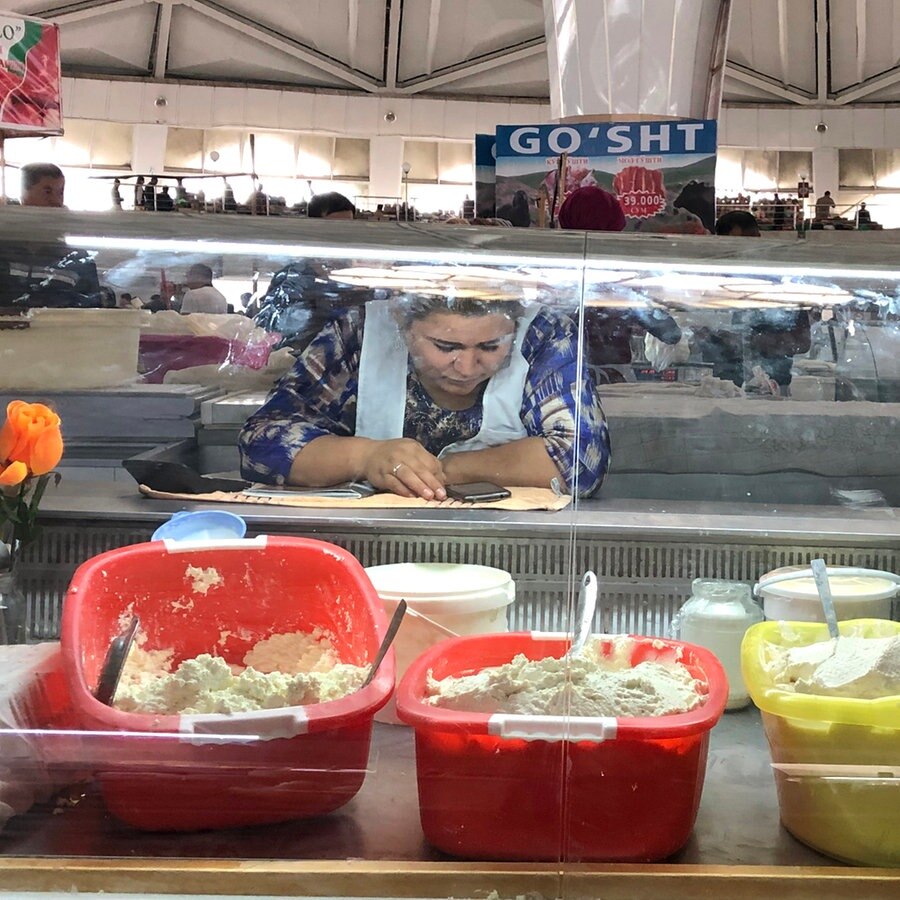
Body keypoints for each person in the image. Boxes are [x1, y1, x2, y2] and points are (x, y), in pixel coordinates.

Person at [239, 292, 610, 499]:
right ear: (403, 324)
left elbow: (580, 461)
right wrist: (367, 457)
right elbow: (262, 443)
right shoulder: (360, 332)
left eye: (491, 346)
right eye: (446, 346)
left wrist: (432, 473)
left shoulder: (545, 334)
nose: (466, 367)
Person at [558, 186, 683, 382]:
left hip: (558, 382)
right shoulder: (621, 278)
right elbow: (670, 333)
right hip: (613, 382)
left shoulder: (552, 273)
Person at [709, 210, 810, 388]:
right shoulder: (717, 281)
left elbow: (802, 342)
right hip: (724, 385)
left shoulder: (784, 282)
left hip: (772, 384)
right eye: (731, 245)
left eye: (744, 243)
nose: (739, 252)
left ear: (757, 237)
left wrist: (750, 341)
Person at [1, 164, 102, 308]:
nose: (56, 201)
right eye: (47, 192)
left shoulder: (76, 258)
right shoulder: (4, 251)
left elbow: (93, 312)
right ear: (24, 194)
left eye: (60, 193)